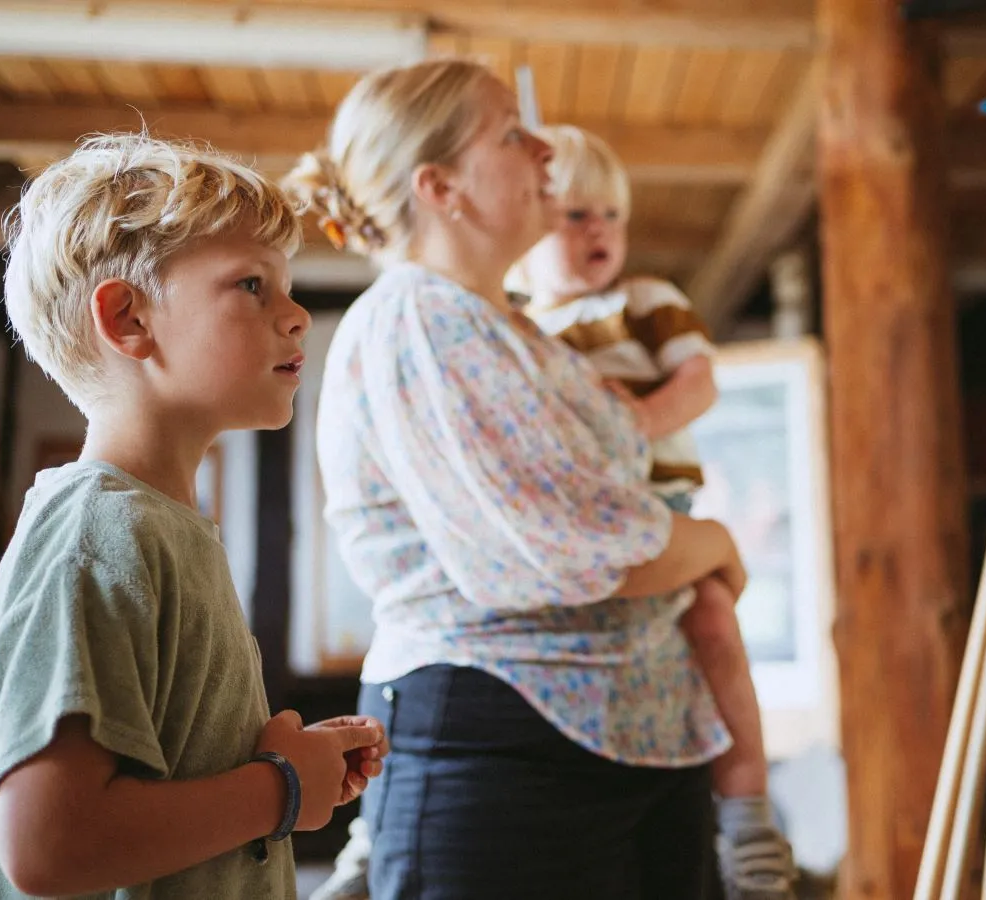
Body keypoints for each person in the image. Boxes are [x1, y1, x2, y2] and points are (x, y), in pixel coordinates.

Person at [286, 59, 746, 900]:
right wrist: (711, 543)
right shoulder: (421, 316)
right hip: (507, 747)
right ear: (440, 187)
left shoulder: (511, 330)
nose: (545, 148)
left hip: (635, 737)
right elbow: (563, 546)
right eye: (509, 131)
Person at [0, 133, 387, 900]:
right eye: (251, 286)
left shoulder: (161, 529)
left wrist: (276, 767)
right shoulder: (101, 532)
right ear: (128, 319)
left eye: (288, 285)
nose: (297, 315)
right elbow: (50, 845)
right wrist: (279, 789)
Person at [519, 124, 797, 900]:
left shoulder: (645, 300)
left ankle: (748, 818)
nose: (599, 229)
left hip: (659, 501)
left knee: (712, 620)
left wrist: (636, 421)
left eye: (611, 214)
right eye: (575, 215)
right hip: (576, 518)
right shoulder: (519, 330)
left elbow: (701, 382)